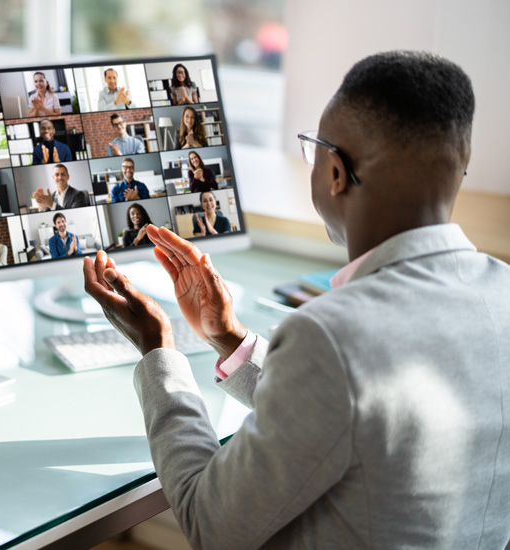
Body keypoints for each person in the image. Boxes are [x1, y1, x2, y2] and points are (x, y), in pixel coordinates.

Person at [83, 51, 510, 548]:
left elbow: (210, 524)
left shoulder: (330, 335)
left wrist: (159, 351)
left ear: (335, 172)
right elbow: (348, 415)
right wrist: (231, 339)